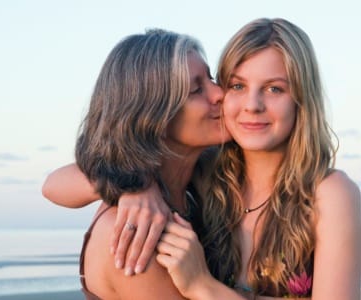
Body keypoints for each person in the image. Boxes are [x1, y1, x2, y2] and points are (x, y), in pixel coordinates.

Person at [155, 18, 361, 299]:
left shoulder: (328, 194)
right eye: (238, 86)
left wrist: (201, 286)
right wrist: (137, 189)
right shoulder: (204, 174)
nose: (253, 105)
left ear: (301, 99)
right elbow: (75, 179)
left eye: (274, 89)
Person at [43, 28, 231, 299]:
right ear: (152, 116)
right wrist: (133, 185)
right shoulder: (134, 236)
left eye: (211, 79)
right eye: (196, 89)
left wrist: (135, 184)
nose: (220, 93)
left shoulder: (195, 189)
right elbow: (51, 185)